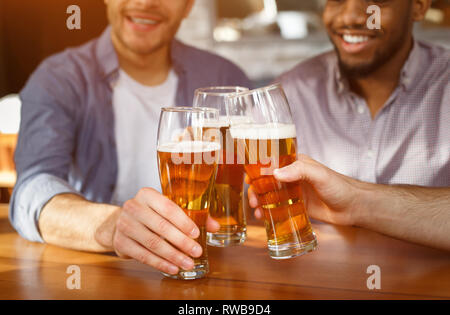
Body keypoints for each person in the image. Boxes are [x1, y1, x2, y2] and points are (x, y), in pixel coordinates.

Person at [10, 0, 251, 276]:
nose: (146, 2)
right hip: (98, 275)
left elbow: (247, 192)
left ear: (188, 6)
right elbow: (32, 191)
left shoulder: (224, 76)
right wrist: (113, 226)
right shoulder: (58, 78)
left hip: (207, 273)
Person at [249, 0, 450, 250]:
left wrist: (357, 201)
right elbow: (234, 198)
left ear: (419, 6)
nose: (350, 17)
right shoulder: (290, 92)